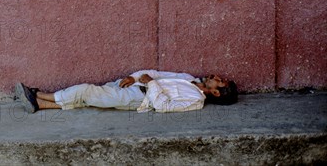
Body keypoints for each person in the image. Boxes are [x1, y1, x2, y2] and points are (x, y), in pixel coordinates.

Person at [15, 70, 237, 114]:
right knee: (90, 99)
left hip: (137, 99)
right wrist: (135, 76)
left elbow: (162, 107)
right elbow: (154, 73)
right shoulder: (188, 79)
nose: (216, 77)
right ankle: (38, 104)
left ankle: (37, 93)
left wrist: (150, 84)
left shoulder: (195, 101)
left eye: (220, 82)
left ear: (216, 94)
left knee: (86, 91)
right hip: (131, 86)